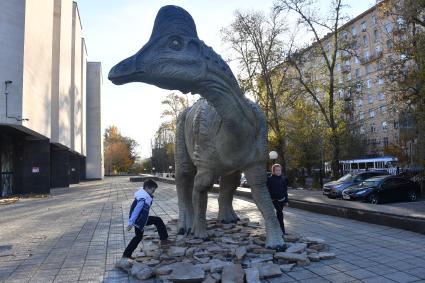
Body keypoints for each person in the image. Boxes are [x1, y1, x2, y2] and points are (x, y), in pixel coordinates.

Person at [121, 179, 169, 260]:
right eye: (152, 190)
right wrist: (130, 223)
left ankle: (126, 254)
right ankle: (164, 239)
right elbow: (136, 210)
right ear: (146, 188)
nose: (153, 192)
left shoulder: (143, 194)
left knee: (138, 236)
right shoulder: (143, 198)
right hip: (139, 220)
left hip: (139, 219)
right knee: (158, 220)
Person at [267, 164, 289, 235]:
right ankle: (282, 231)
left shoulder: (283, 179)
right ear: (273, 171)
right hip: (274, 200)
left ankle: (280, 229)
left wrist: (286, 201)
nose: (278, 172)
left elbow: (285, 191)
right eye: (276, 170)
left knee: (279, 214)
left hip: (282, 199)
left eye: (279, 170)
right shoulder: (270, 179)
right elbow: (268, 190)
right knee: (280, 213)